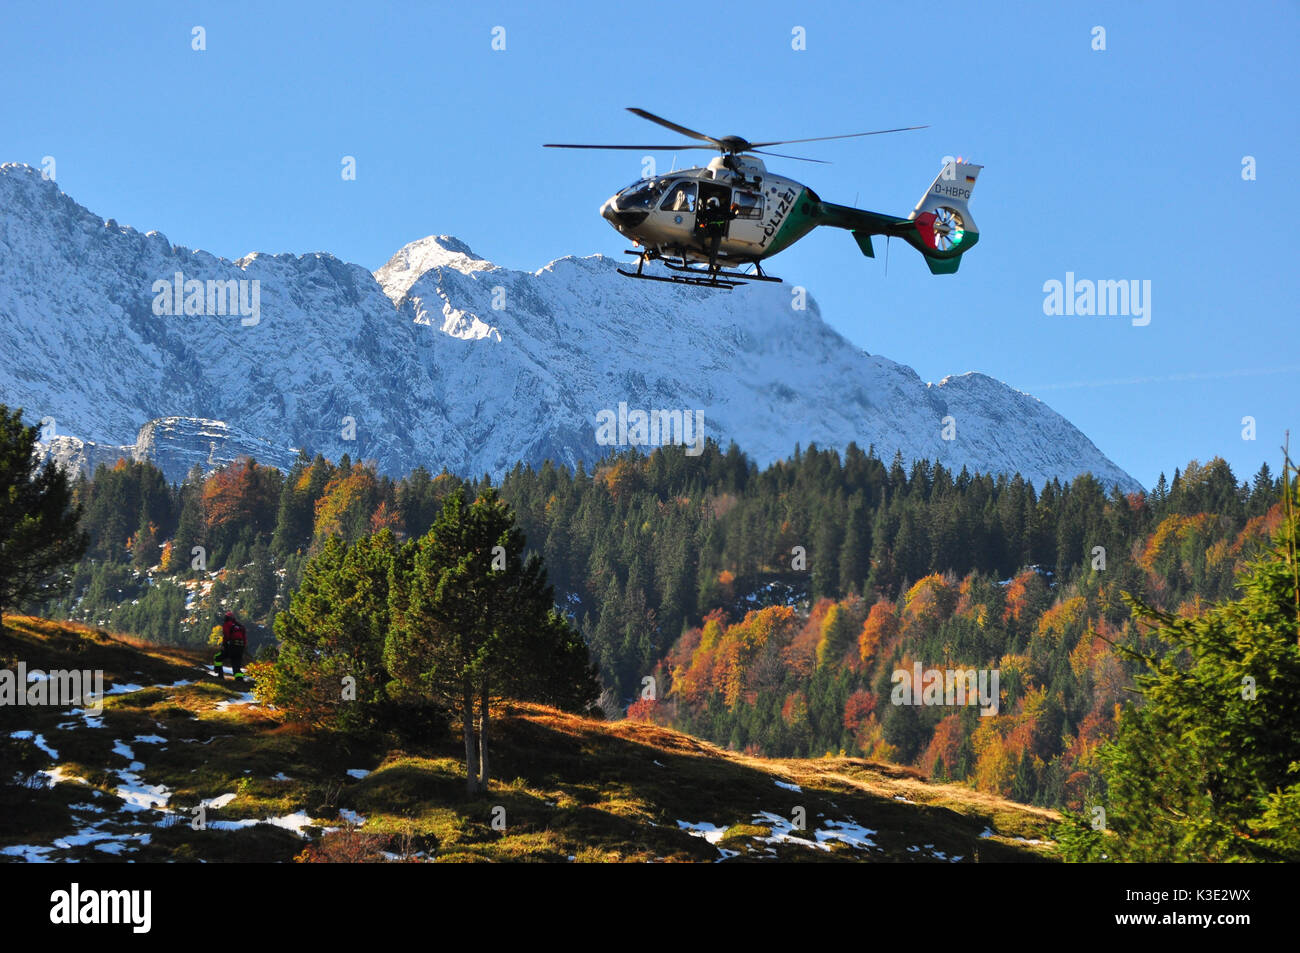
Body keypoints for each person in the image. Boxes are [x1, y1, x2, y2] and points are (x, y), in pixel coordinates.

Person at [214, 611, 248, 681]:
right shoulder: (240, 626)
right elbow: (244, 638)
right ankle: (239, 680)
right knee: (236, 665)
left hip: (232, 646)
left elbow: (226, 636)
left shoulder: (227, 624)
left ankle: (220, 675)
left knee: (218, 657)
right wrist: (243, 648)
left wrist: (224, 645)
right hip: (240, 648)